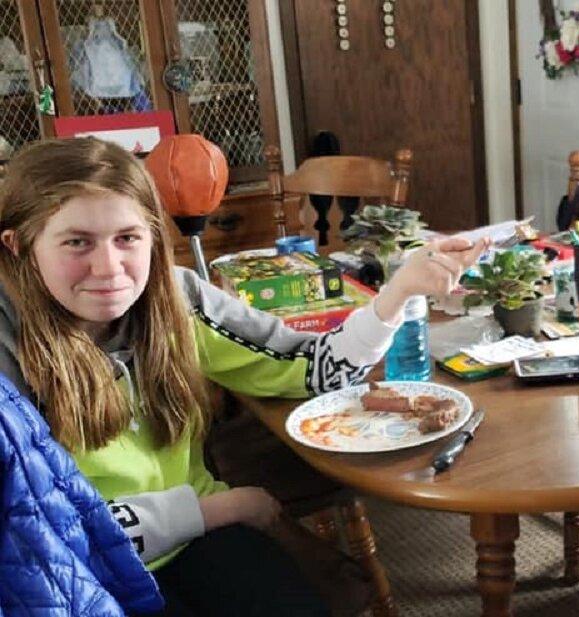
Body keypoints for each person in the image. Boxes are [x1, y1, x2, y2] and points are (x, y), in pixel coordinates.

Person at [0, 137, 488, 616]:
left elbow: (316, 368)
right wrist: (229, 507)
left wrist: (399, 292)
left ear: (152, 237)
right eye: (77, 242)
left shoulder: (176, 298)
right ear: (18, 245)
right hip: (80, 571)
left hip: (195, 537)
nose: (109, 268)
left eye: (127, 238)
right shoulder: (8, 352)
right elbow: (43, 532)